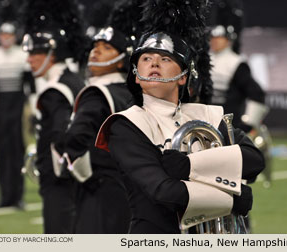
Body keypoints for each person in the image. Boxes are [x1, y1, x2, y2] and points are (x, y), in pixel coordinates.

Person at [95, 0, 265, 234]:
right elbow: (163, 191)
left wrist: (189, 166)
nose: (154, 62)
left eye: (165, 59)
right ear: (136, 75)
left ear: (183, 76)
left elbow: (254, 160)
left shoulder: (206, 114)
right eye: (145, 59)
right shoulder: (125, 124)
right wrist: (232, 199)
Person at [61, 0, 141, 233]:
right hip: (132, 188)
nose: (96, 51)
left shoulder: (96, 93)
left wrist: (80, 173)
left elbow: (75, 139)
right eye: (95, 46)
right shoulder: (133, 93)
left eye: (106, 47)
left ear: (122, 58)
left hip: (99, 188)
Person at [21, 0, 87, 233]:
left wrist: (53, 170)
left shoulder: (55, 89)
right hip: (77, 179)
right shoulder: (74, 79)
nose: (29, 59)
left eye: (35, 53)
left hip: (60, 180)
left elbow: (61, 136)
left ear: (53, 53)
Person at [0, 1, 35, 209]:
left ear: (14, 36)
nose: (6, 39)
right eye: (3, 35)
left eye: (9, 35)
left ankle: (17, 196)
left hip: (17, 105)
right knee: (2, 151)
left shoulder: (22, 55)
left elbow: (30, 86)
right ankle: (5, 195)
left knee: (17, 151)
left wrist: (33, 107)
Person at [207, 0, 268, 134]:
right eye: (212, 37)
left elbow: (256, 93)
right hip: (205, 120)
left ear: (229, 39)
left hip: (228, 124)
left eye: (219, 37)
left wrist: (248, 124)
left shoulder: (236, 62)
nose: (214, 41)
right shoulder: (204, 58)